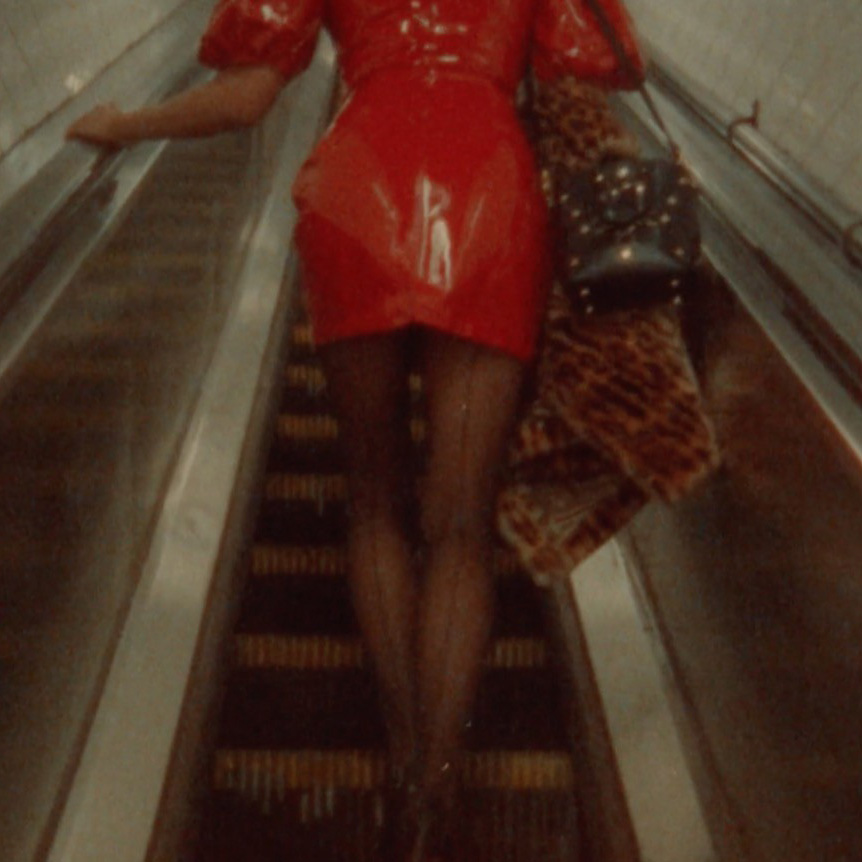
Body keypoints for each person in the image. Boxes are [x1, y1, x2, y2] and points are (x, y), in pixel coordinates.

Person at [67, 1, 644, 858]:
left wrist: (125, 122)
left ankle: (402, 751)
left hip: (359, 195)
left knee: (373, 496)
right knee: (458, 521)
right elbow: (603, 67)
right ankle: (435, 791)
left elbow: (248, 94)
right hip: (487, 195)